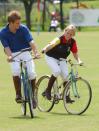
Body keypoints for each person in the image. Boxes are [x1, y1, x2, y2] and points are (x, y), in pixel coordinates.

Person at [0, 10, 40, 108]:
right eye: (17, 23)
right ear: (11, 23)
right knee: (16, 70)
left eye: (19, 22)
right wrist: (9, 56)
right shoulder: (3, 33)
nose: (19, 24)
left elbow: (31, 41)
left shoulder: (23, 28)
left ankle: (33, 97)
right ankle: (18, 94)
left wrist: (36, 52)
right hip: (13, 53)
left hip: (26, 51)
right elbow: (6, 47)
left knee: (31, 73)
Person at [42, 24, 83, 102]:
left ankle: (66, 97)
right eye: (67, 33)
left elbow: (75, 53)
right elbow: (51, 44)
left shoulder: (72, 42)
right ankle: (48, 90)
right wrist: (45, 49)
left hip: (62, 59)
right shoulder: (59, 39)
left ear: (73, 35)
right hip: (51, 57)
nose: (68, 35)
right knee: (57, 71)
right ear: (65, 31)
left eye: (71, 34)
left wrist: (79, 60)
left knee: (66, 77)